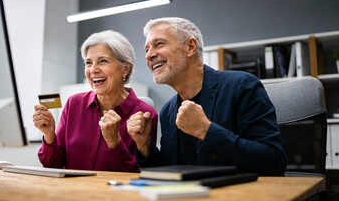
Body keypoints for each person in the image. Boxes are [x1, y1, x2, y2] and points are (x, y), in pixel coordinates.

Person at [127, 17, 286, 176]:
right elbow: (170, 170)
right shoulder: (168, 111)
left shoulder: (241, 86)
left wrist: (206, 131)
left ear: (190, 47)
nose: (149, 55)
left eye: (159, 44)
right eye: (146, 49)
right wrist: (145, 145)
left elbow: (274, 162)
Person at [33, 30, 158, 172]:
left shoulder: (146, 114)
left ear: (125, 69)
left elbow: (141, 174)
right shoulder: (73, 104)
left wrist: (114, 143)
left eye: (102, 61)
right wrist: (49, 135)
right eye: (88, 63)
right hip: (72, 192)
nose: (93, 70)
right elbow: (53, 164)